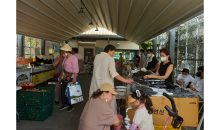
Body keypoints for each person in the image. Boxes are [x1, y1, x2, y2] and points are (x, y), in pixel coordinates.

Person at [89, 45, 133, 114]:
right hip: (106, 84)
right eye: (113, 52)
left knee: (96, 100)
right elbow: (114, 73)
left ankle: (96, 117)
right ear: (109, 50)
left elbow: (101, 67)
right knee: (108, 102)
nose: (113, 54)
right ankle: (110, 120)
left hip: (95, 82)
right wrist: (125, 80)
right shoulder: (110, 58)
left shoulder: (97, 56)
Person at [59, 44, 79, 112]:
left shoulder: (74, 58)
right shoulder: (65, 58)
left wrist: (74, 78)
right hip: (65, 76)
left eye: (63, 51)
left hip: (71, 76)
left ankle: (71, 105)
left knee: (71, 91)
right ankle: (65, 103)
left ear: (65, 51)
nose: (62, 52)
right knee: (63, 90)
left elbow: (75, 69)